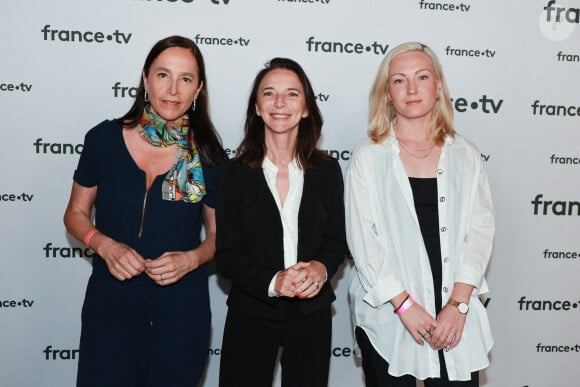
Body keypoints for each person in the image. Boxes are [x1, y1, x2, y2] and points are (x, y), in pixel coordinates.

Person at [63, 35, 226, 387]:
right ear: (145, 78)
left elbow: (218, 236)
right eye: (163, 74)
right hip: (111, 304)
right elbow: (75, 214)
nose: (172, 89)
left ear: (198, 89)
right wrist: (104, 245)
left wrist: (191, 259)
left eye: (185, 79)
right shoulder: (103, 139)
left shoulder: (209, 154)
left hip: (181, 311)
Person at [345, 42, 494, 386]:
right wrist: (405, 306)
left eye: (421, 77)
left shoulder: (466, 156)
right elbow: (364, 242)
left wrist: (458, 306)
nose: (411, 89)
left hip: (456, 319)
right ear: (386, 93)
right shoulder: (368, 158)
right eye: (399, 80)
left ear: (438, 85)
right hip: (388, 315)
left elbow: (480, 232)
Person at [215, 57, 347, 387]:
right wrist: (275, 281)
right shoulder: (234, 174)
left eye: (291, 94)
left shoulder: (327, 171)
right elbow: (227, 255)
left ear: (305, 108)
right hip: (251, 311)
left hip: (311, 315)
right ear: (257, 107)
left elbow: (335, 242)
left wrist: (320, 268)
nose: (280, 103)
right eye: (269, 93)